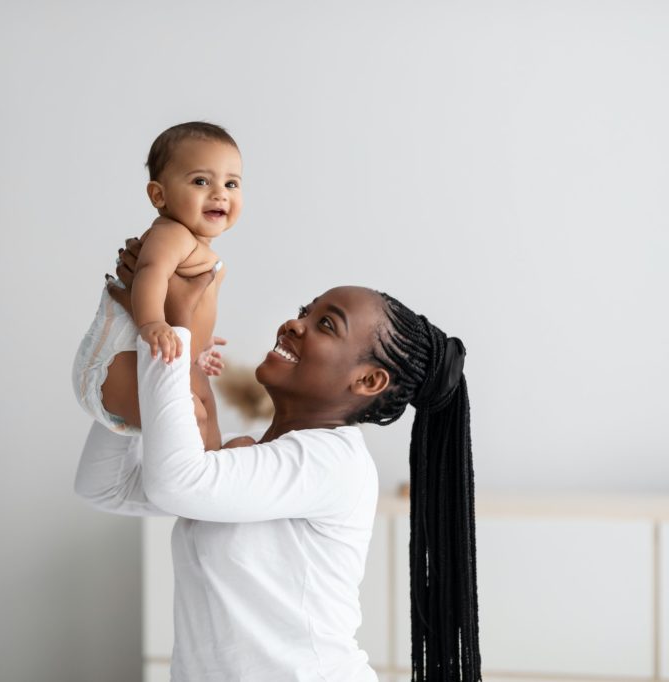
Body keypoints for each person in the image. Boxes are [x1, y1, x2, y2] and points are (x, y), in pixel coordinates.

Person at [74, 241, 482, 682]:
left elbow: (177, 482)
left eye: (325, 324)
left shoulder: (334, 462)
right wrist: (144, 328)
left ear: (368, 380)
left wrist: (173, 328)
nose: (294, 323)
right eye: (305, 310)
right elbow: (104, 486)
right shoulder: (244, 457)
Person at [71, 122, 241, 450]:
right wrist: (153, 323)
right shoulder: (171, 235)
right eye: (201, 181)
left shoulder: (196, 246)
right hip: (115, 367)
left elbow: (184, 307)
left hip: (153, 362)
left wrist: (200, 346)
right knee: (193, 415)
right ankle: (202, 481)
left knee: (206, 400)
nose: (220, 193)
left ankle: (215, 464)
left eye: (231, 183)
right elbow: (149, 274)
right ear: (159, 194)